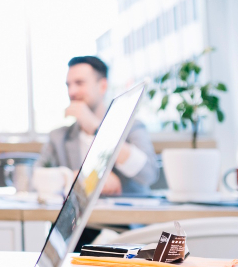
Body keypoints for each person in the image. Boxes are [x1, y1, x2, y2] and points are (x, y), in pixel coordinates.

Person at [40, 56, 158, 196]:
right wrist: (81, 178)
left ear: (102, 86)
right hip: (82, 217)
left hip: (127, 216)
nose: (71, 92)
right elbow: (35, 179)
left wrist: (98, 129)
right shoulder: (59, 136)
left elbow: (149, 174)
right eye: (68, 85)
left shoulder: (132, 127)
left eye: (79, 83)